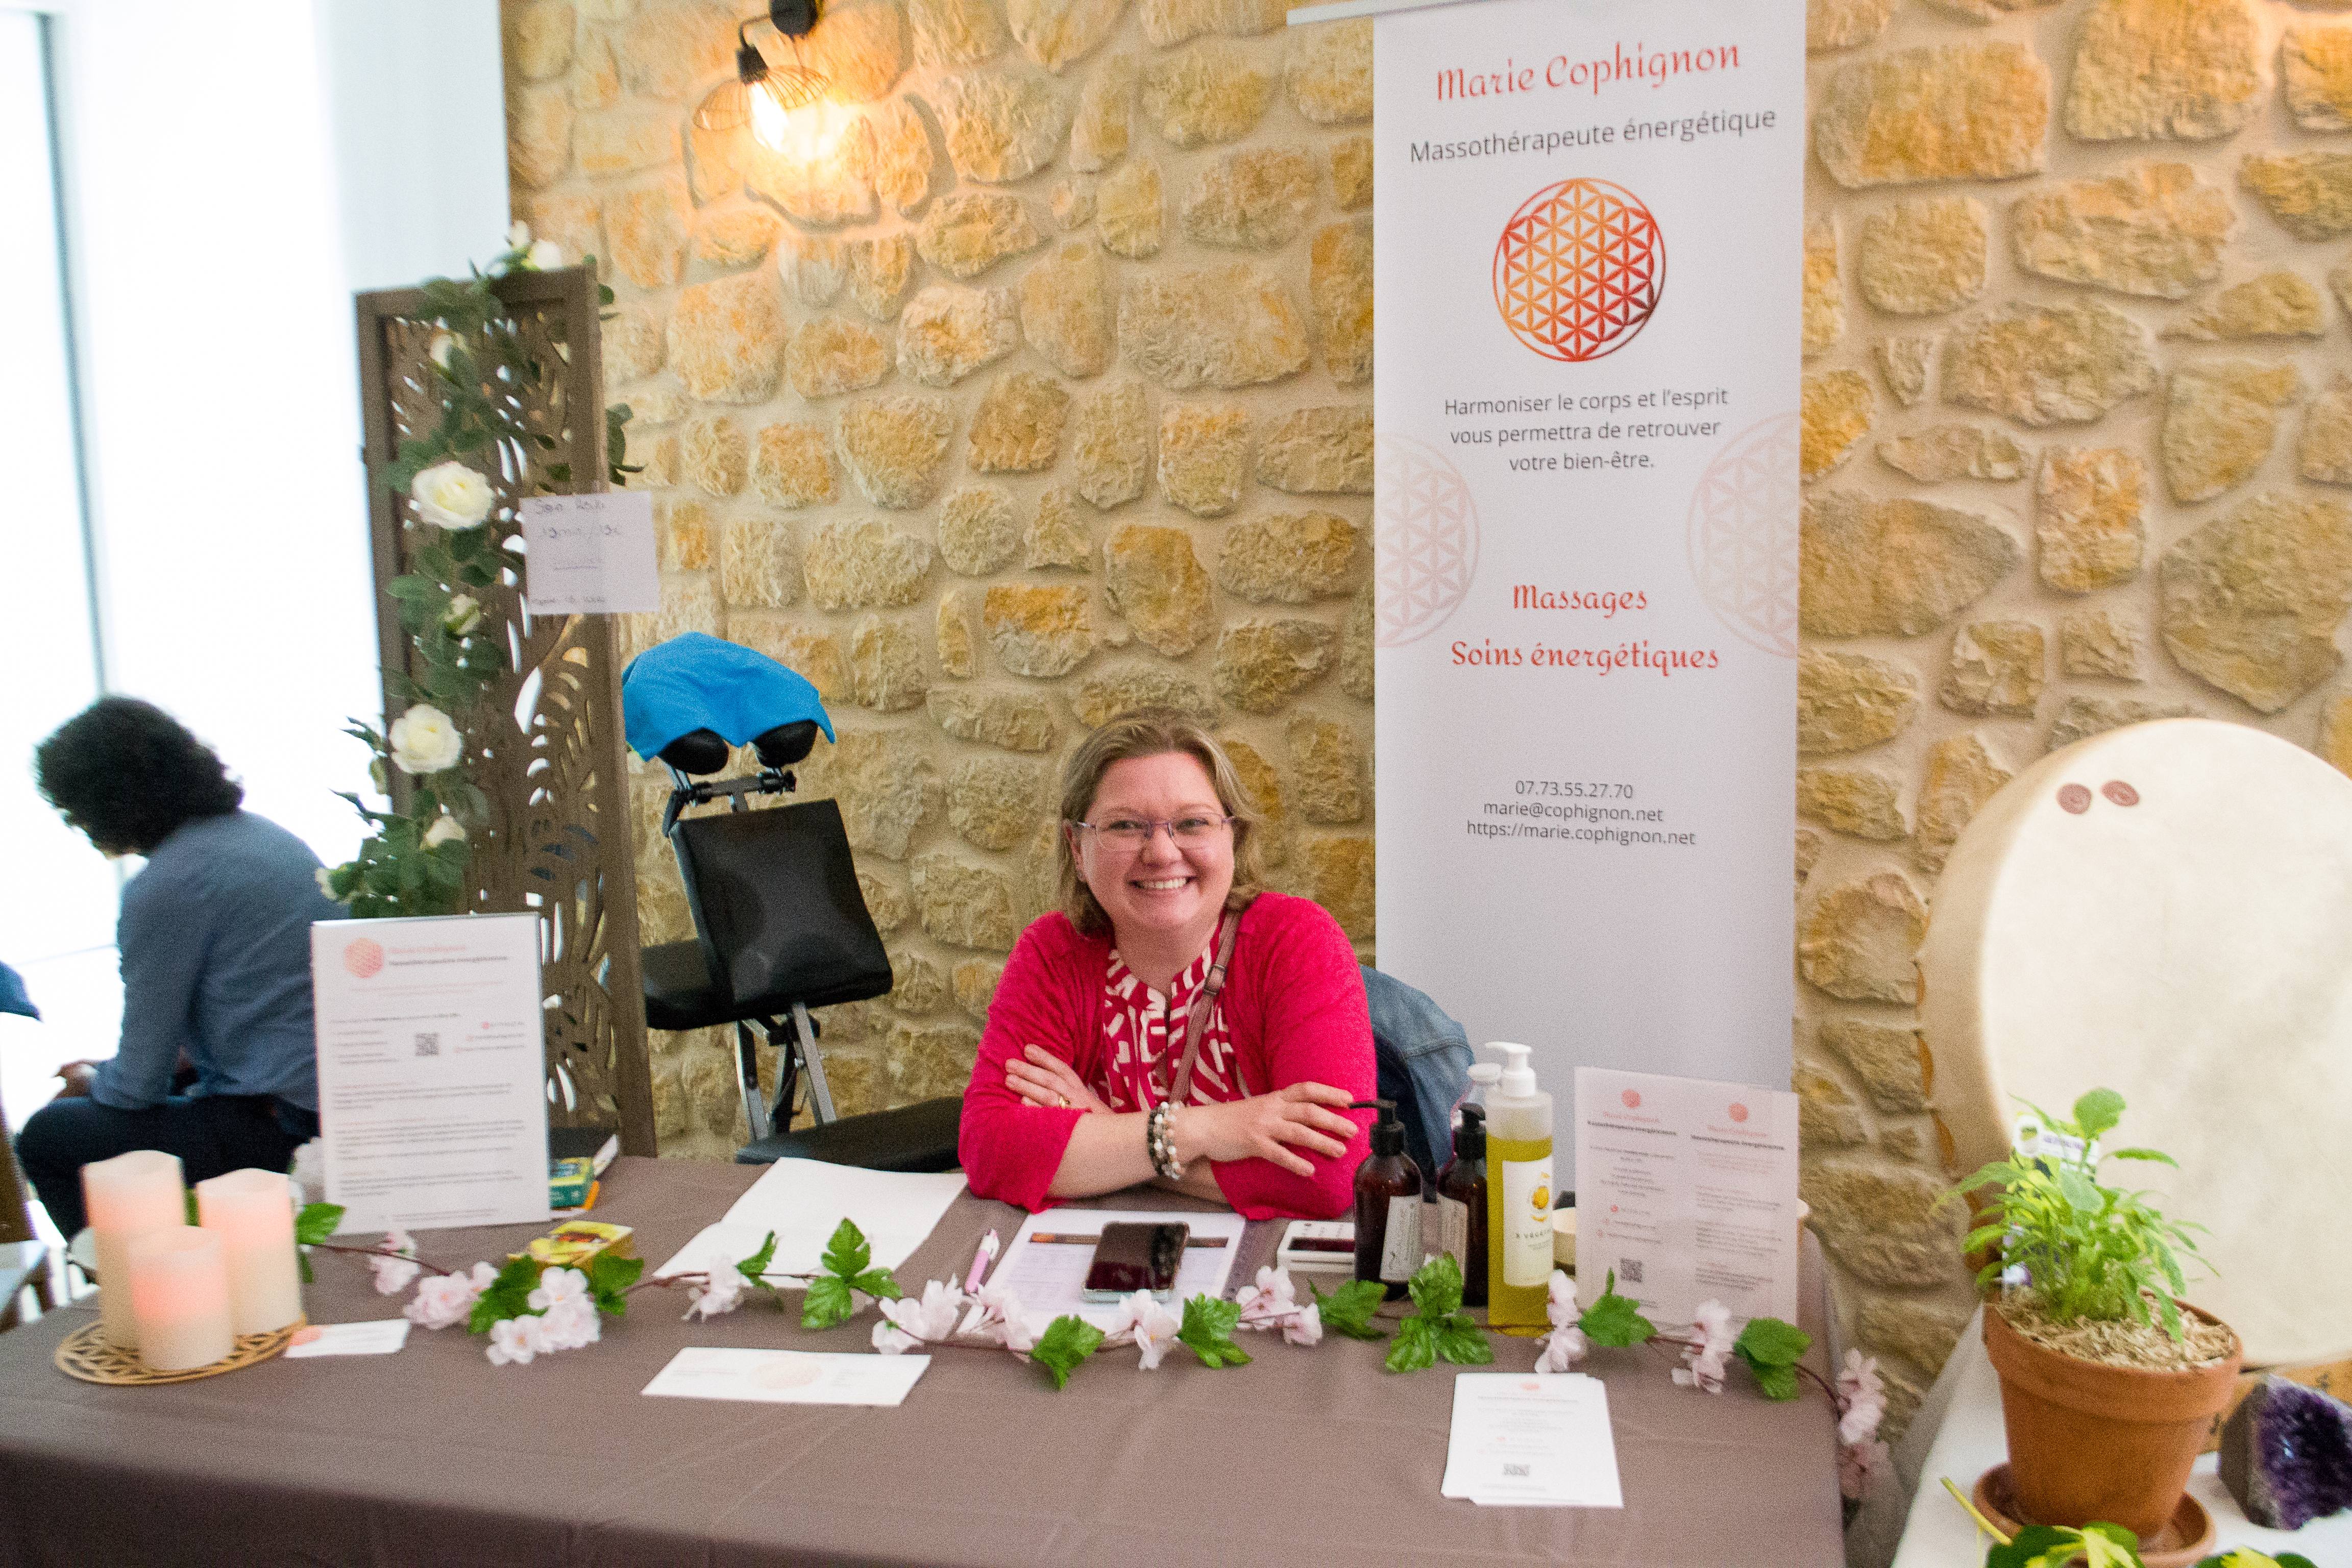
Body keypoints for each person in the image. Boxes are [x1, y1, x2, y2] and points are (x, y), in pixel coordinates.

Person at [959, 709, 1375, 1221]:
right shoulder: (1052, 952)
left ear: (1234, 838)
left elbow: (1329, 1175)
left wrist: (1112, 1131)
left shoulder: (1297, 941)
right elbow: (990, 1150)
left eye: (1193, 823)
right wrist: (1205, 1131)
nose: (1161, 851)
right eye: (1125, 826)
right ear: (1077, 847)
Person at [15, 698, 339, 1235]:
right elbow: (251, 1016)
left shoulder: (166, 887)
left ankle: (123, 1295)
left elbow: (135, 1086)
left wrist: (91, 1079)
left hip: (281, 1129)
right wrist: (107, 1072)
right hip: (328, 1103)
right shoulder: (266, 837)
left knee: (48, 1136)